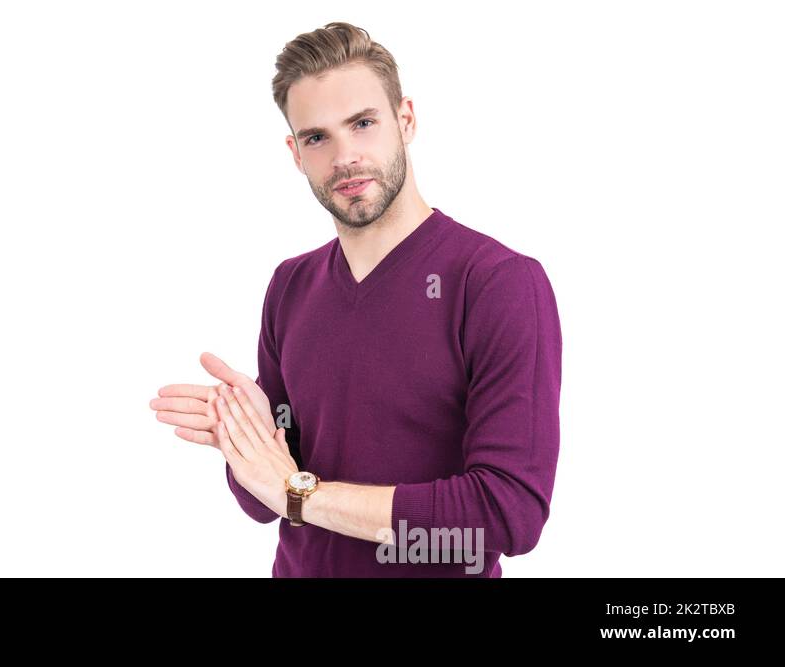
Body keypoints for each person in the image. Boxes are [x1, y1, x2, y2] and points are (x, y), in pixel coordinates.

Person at [148, 22, 562, 577]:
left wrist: (301, 494)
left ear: (405, 120)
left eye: (363, 124)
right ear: (296, 153)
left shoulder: (497, 284)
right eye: (317, 137)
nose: (345, 157)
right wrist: (243, 441)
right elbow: (263, 501)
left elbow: (508, 513)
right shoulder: (290, 286)